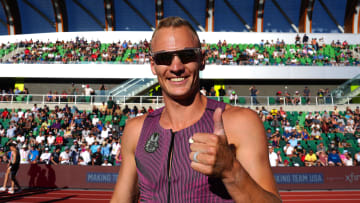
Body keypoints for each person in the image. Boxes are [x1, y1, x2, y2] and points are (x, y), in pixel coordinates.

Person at [111, 17, 280, 202]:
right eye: (164, 58)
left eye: (187, 55)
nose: (176, 67)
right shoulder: (136, 130)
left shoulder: (240, 122)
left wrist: (231, 170)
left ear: (202, 60)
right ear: (153, 66)